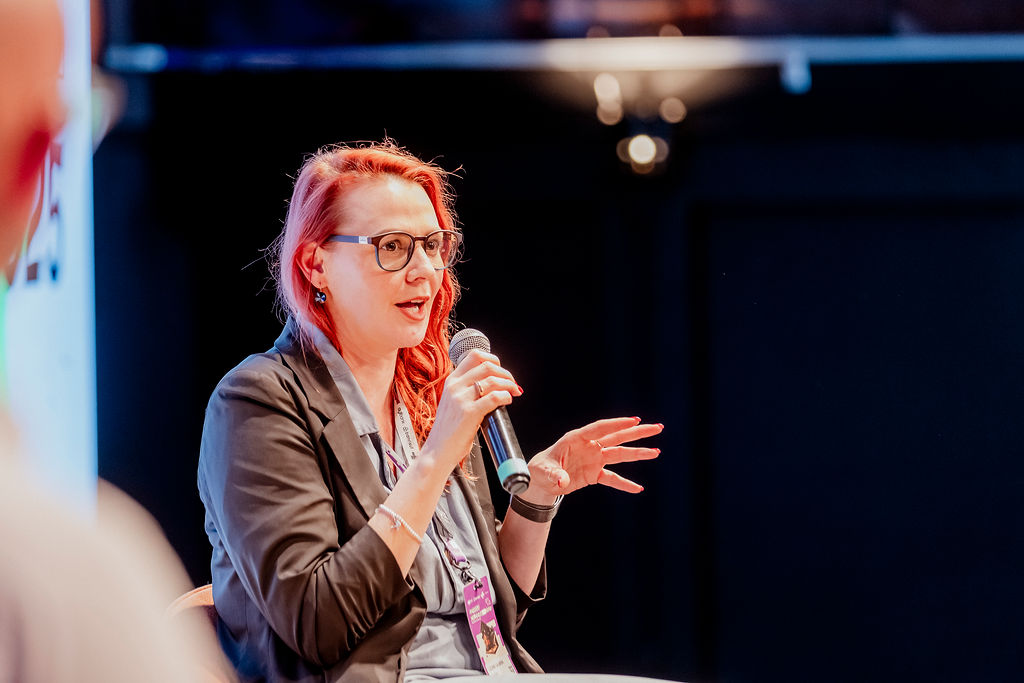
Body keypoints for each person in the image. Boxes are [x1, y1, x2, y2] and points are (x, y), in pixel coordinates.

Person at [197, 141, 663, 682]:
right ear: (316, 264)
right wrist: (437, 456)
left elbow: (493, 612)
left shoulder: (427, 393)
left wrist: (535, 498)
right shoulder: (258, 400)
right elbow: (319, 623)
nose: (425, 270)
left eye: (433, 244)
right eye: (393, 246)